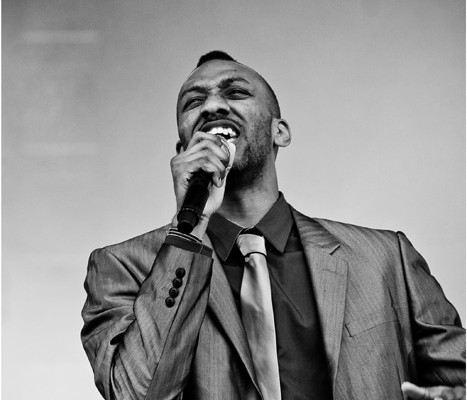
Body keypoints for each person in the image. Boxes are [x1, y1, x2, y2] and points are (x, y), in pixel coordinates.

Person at [81, 51, 465, 400]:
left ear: (279, 131)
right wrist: (188, 233)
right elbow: (137, 395)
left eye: (235, 92)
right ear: (183, 149)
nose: (213, 105)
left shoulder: (385, 258)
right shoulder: (121, 267)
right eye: (194, 102)